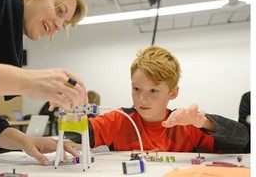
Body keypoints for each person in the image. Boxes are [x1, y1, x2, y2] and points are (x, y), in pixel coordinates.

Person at [0, 0, 88, 165]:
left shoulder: (5, 43)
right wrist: (27, 82)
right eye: (59, 10)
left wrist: (25, 140)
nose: (58, 25)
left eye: (64, 23)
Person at [66, 45, 248, 153]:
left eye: (153, 91)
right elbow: (75, 136)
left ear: (173, 93)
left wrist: (204, 121)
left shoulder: (186, 125)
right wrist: (72, 109)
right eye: (136, 89)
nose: (142, 99)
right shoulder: (120, 120)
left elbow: (242, 139)